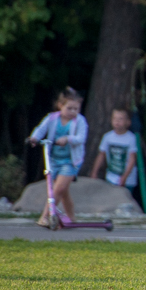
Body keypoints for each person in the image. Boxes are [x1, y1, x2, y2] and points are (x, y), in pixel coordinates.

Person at [27, 87, 88, 227]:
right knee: (63, 191)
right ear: (60, 105)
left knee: (58, 189)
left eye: (76, 109)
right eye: (69, 108)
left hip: (71, 161)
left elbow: (81, 138)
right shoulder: (52, 118)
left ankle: (45, 217)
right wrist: (34, 138)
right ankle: (72, 218)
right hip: (53, 160)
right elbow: (41, 129)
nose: (73, 112)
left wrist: (68, 139)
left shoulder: (80, 121)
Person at [90, 106, 139, 190]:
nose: (117, 121)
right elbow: (101, 155)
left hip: (127, 180)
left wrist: (125, 177)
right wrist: (94, 172)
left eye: (120, 119)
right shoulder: (107, 137)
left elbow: (132, 159)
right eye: (115, 118)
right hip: (111, 177)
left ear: (128, 122)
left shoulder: (131, 138)